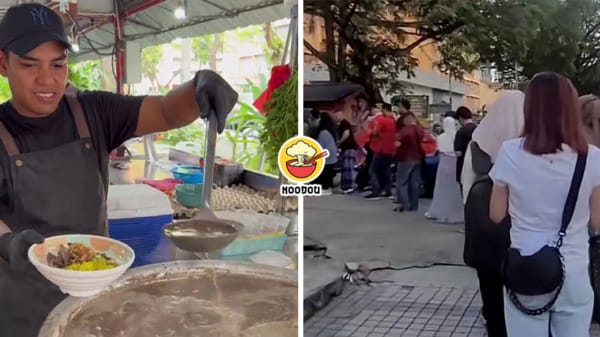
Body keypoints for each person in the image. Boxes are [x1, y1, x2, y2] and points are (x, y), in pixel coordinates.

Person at [0, 4, 239, 337]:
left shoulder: (94, 111)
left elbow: (168, 112)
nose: (47, 79)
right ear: (3, 64)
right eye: (29, 65)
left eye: (58, 64)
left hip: (94, 295)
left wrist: (198, 87)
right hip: (23, 307)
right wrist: (10, 242)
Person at [489, 72, 600, 337]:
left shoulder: (510, 151)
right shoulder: (593, 158)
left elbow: (495, 215)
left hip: (526, 268)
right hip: (573, 269)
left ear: (531, 108)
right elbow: (597, 221)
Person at [461, 90, 525, 337]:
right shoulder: (525, 147)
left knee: (490, 290)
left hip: (484, 231)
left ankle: (494, 325)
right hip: (516, 235)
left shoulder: (476, 142)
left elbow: (466, 185)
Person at [424, 116, 463, 223]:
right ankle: (456, 211)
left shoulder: (440, 137)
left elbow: (439, 149)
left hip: (444, 163)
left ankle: (439, 210)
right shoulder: (458, 136)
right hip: (455, 163)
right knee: (455, 189)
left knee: (442, 188)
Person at [364, 103, 396, 200]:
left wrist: (368, 131)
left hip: (380, 148)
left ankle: (375, 191)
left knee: (373, 170)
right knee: (387, 170)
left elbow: (374, 132)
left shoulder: (382, 120)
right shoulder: (393, 121)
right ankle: (388, 191)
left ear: (384, 109)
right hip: (390, 149)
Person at [393, 112, 424, 211]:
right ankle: (414, 205)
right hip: (417, 158)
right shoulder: (419, 130)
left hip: (405, 158)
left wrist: (395, 154)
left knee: (402, 182)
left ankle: (405, 204)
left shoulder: (404, 130)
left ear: (406, 119)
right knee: (414, 183)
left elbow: (397, 144)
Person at [333, 109, 358, 193]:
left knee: (348, 167)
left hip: (349, 148)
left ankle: (350, 186)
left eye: (337, 116)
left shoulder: (344, 123)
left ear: (341, 115)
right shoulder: (343, 124)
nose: (336, 118)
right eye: (335, 116)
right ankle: (346, 186)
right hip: (348, 148)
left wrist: (339, 142)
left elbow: (346, 134)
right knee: (346, 167)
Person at [454, 106, 477, 191]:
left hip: (463, 166)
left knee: (464, 192)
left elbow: (458, 153)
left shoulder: (461, 132)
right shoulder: (478, 129)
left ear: (460, 118)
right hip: (476, 166)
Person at [315, 112, 338, 195]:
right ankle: (328, 186)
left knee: (324, 171)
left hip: (327, 155)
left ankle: (325, 188)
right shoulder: (329, 129)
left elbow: (320, 145)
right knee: (328, 171)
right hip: (332, 153)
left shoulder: (323, 132)